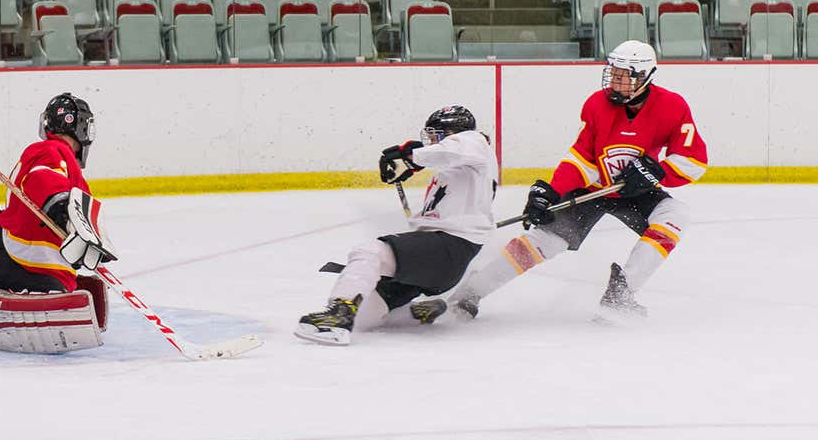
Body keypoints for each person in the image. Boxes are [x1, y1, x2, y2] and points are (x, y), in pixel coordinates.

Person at [421, 40, 708, 323]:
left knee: (675, 215)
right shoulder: (598, 104)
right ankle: (469, 293)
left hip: (637, 191)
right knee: (543, 241)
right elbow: (583, 156)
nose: (614, 81)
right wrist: (552, 191)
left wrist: (657, 171)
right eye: (613, 73)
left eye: (623, 76)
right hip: (593, 190)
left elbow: (693, 158)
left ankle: (622, 293)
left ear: (644, 76)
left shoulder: (672, 106)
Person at [294, 105, 499, 346]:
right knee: (365, 319)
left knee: (368, 251)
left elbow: (454, 150)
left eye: (435, 135)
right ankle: (420, 313)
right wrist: (413, 164)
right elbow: (448, 156)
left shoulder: (473, 140)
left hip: (450, 247)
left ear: (452, 132)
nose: (431, 140)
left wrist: (411, 154)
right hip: (440, 257)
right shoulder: (456, 168)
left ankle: (338, 317)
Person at [0, 93, 116, 353]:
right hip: (18, 261)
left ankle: (53, 286)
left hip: (28, 261)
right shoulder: (50, 150)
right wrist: (60, 206)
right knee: (58, 285)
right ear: (79, 127)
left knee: (66, 282)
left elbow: (78, 208)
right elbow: (43, 181)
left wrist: (91, 242)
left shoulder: (65, 164)